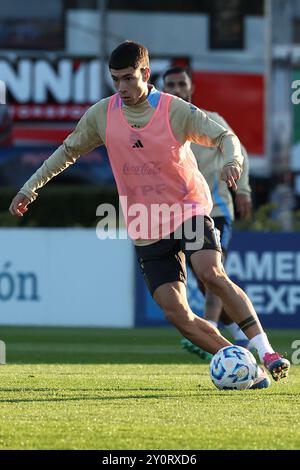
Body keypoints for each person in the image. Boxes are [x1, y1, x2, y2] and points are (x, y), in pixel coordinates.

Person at [9, 41, 290, 387]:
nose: (122, 88)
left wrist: (233, 161)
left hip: (188, 210)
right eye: (115, 80)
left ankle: (266, 351)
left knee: (211, 272)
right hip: (145, 225)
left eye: (128, 78)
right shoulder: (102, 114)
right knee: (177, 313)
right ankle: (245, 366)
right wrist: (29, 187)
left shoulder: (173, 111)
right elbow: (67, 151)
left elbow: (225, 137)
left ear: (145, 73)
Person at [163, 66, 252, 358]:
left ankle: (210, 327)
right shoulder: (159, 127)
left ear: (191, 88)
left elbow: (237, 148)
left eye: (181, 84)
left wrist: (243, 190)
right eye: (171, 85)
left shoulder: (210, 121)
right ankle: (242, 336)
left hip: (217, 209)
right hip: (182, 215)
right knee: (205, 282)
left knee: (214, 272)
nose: (176, 89)